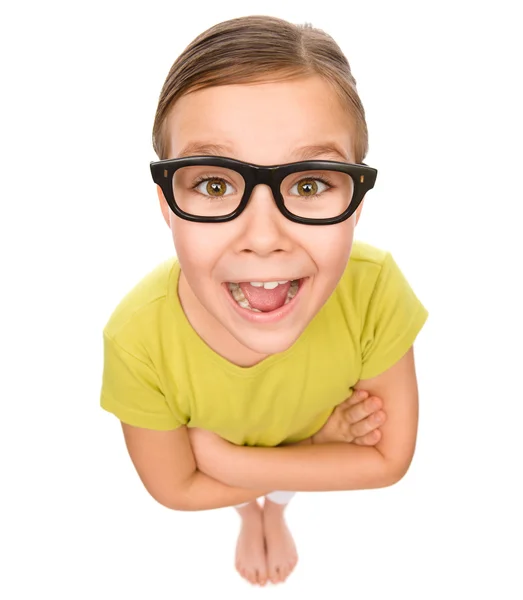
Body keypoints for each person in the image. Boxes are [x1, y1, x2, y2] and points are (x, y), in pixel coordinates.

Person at [100, 15, 428, 588]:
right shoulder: (138, 341)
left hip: (273, 443)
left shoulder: (373, 290)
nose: (264, 236)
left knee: (277, 484)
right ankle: (253, 509)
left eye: (308, 184)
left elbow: (387, 463)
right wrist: (322, 447)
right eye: (214, 184)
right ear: (165, 202)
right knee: (277, 478)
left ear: (355, 201)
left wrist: (224, 460)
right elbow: (175, 491)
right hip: (313, 438)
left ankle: (272, 508)